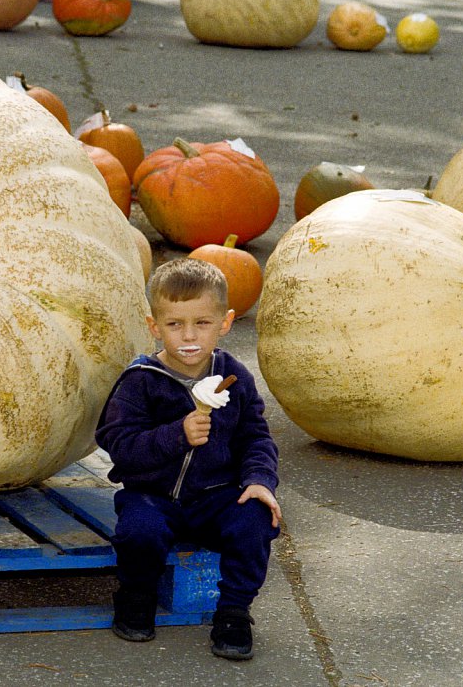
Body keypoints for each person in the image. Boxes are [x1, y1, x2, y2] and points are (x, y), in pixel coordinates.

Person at [95, 258, 282, 661]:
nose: (190, 335)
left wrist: (259, 480)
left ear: (225, 323)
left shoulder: (234, 377)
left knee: (255, 519)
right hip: (152, 494)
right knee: (140, 531)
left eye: (202, 323)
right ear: (154, 327)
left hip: (216, 495)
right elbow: (117, 442)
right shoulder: (141, 380)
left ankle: (233, 611)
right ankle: (136, 596)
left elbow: (255, 436)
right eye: (175, 324)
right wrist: (176, 434)